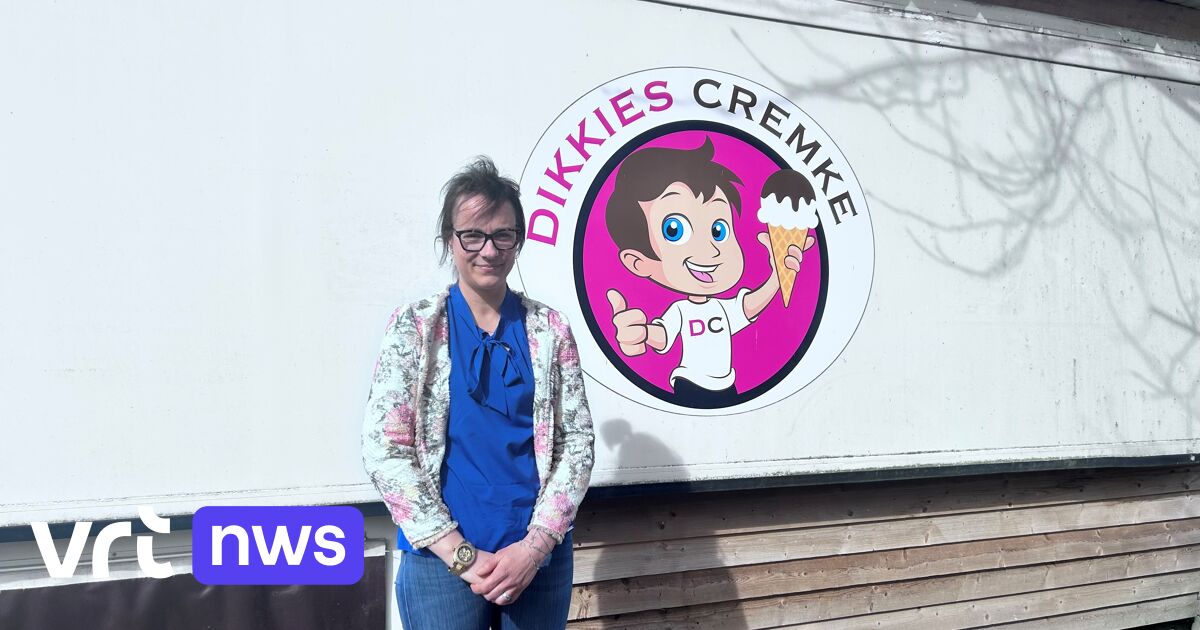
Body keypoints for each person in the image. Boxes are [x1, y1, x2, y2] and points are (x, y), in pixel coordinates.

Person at [362, 157, 594, 629]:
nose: (488, 250)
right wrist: (460, 554)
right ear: (450, 239)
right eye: (472, 235)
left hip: (536, 560)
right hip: (439, 562)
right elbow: (385, 448)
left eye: (502, 235)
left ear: (518, 241)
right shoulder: (415, 328)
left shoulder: (551, 330)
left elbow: (577, 444)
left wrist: (534, 548)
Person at [602, 137, 812, 407]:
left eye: (718, 230)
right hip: (688, 385)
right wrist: (639, 332)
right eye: (674, 230)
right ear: (638, 262)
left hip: (728, 385)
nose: (710, 250)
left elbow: (749, 306)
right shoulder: (680, 310)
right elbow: (663, 336)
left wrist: (778, 275)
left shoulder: (721, 308)